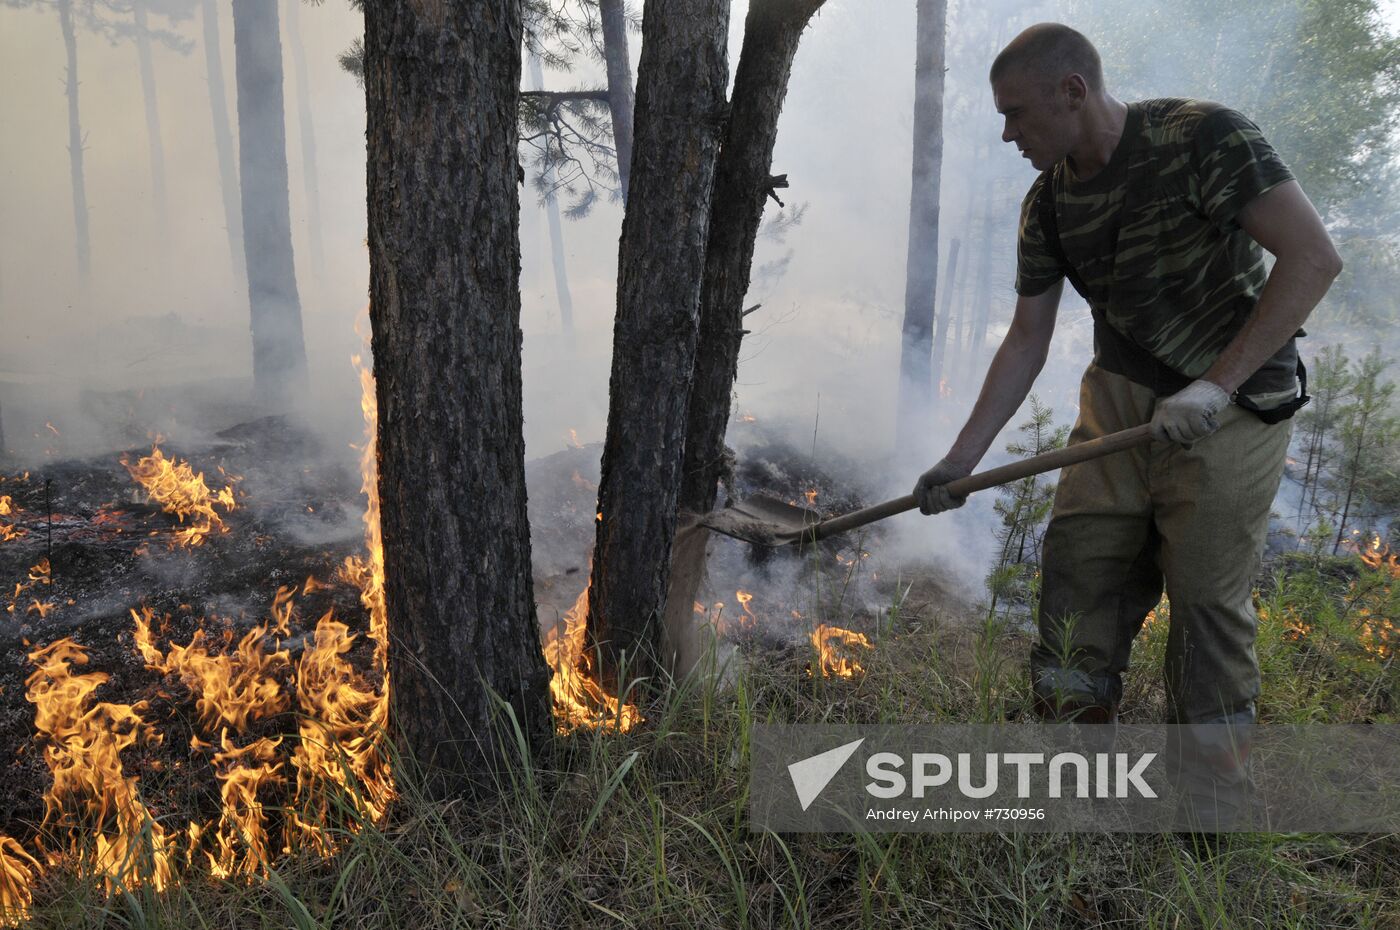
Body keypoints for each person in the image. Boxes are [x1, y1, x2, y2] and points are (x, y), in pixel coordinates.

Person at [913, 24, 1342, 828]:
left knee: (1207, 605)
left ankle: (1211, 817)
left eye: (1017, 114)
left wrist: (1215, 386)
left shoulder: (1203, 138)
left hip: (1238, 396)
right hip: (1121, 392)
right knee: (1080, 571)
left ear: (1072, 92)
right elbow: (1027, 338)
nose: (1008, 134)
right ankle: (1076, 783)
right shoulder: (1048, 203)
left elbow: (1313, 257)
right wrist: (959, 461)